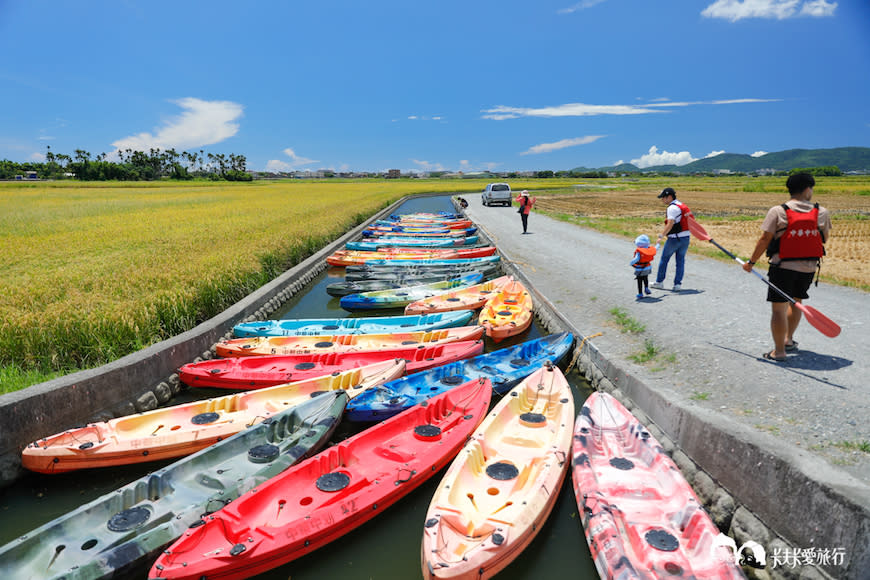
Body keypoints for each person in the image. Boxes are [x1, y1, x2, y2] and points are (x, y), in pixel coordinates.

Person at [743, 173, 831, 362]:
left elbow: (765, 239)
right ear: (807, 189)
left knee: (778, 309)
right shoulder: (821, 212)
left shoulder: (778, 211)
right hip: (809, 267)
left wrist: (751, 262)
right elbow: (824, 238)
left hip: (782, 267)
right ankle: (788, 339)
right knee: (797, 301)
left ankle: (779, 351)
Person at [650, 187, 692, 291]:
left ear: (669, 197)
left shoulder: (672, 208)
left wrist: (661, 236)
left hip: (674, 239)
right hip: (686, 238)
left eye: (663, 198)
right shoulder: (682, 205)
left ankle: (659, 282)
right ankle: (677, 285)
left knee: (664, 259)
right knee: (680, 261)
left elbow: (670, 223)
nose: (662, 200)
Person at [630, 234, 657, 299]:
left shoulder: (639, 251)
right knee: (645, 278)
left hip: (640, 268)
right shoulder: (649, 249)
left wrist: (631, 263)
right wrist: (658, 244)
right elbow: (656, 248)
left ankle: (640, 293)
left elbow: (636, 259)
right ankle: (646, 288)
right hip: (647, 267)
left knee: (639, 280)